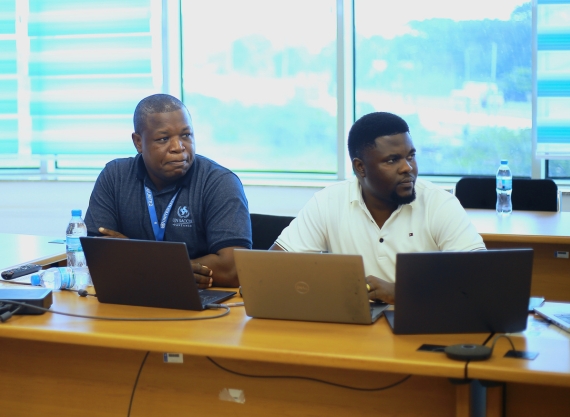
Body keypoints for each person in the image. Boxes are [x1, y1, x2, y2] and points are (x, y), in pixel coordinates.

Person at [270, 112, 485, 303]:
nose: (407, 168)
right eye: (392, 160)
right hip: (354, 323)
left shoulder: (439, 204)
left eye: (410, 156)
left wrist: (400, 293)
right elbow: (272, 270)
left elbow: (479, 281)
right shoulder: (328, 201)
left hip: (421, 321)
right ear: (360, 167)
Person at [85, 94, 251, 288]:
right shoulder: (115, 176)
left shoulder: (219, 182)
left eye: (186, 135)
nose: (178, 148)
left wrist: (139, 259)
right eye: (163, 139)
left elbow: (234, 269)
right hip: (132, 292)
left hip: (201, 299)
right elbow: (97, 253)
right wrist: (173, 269)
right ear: (138, 142)